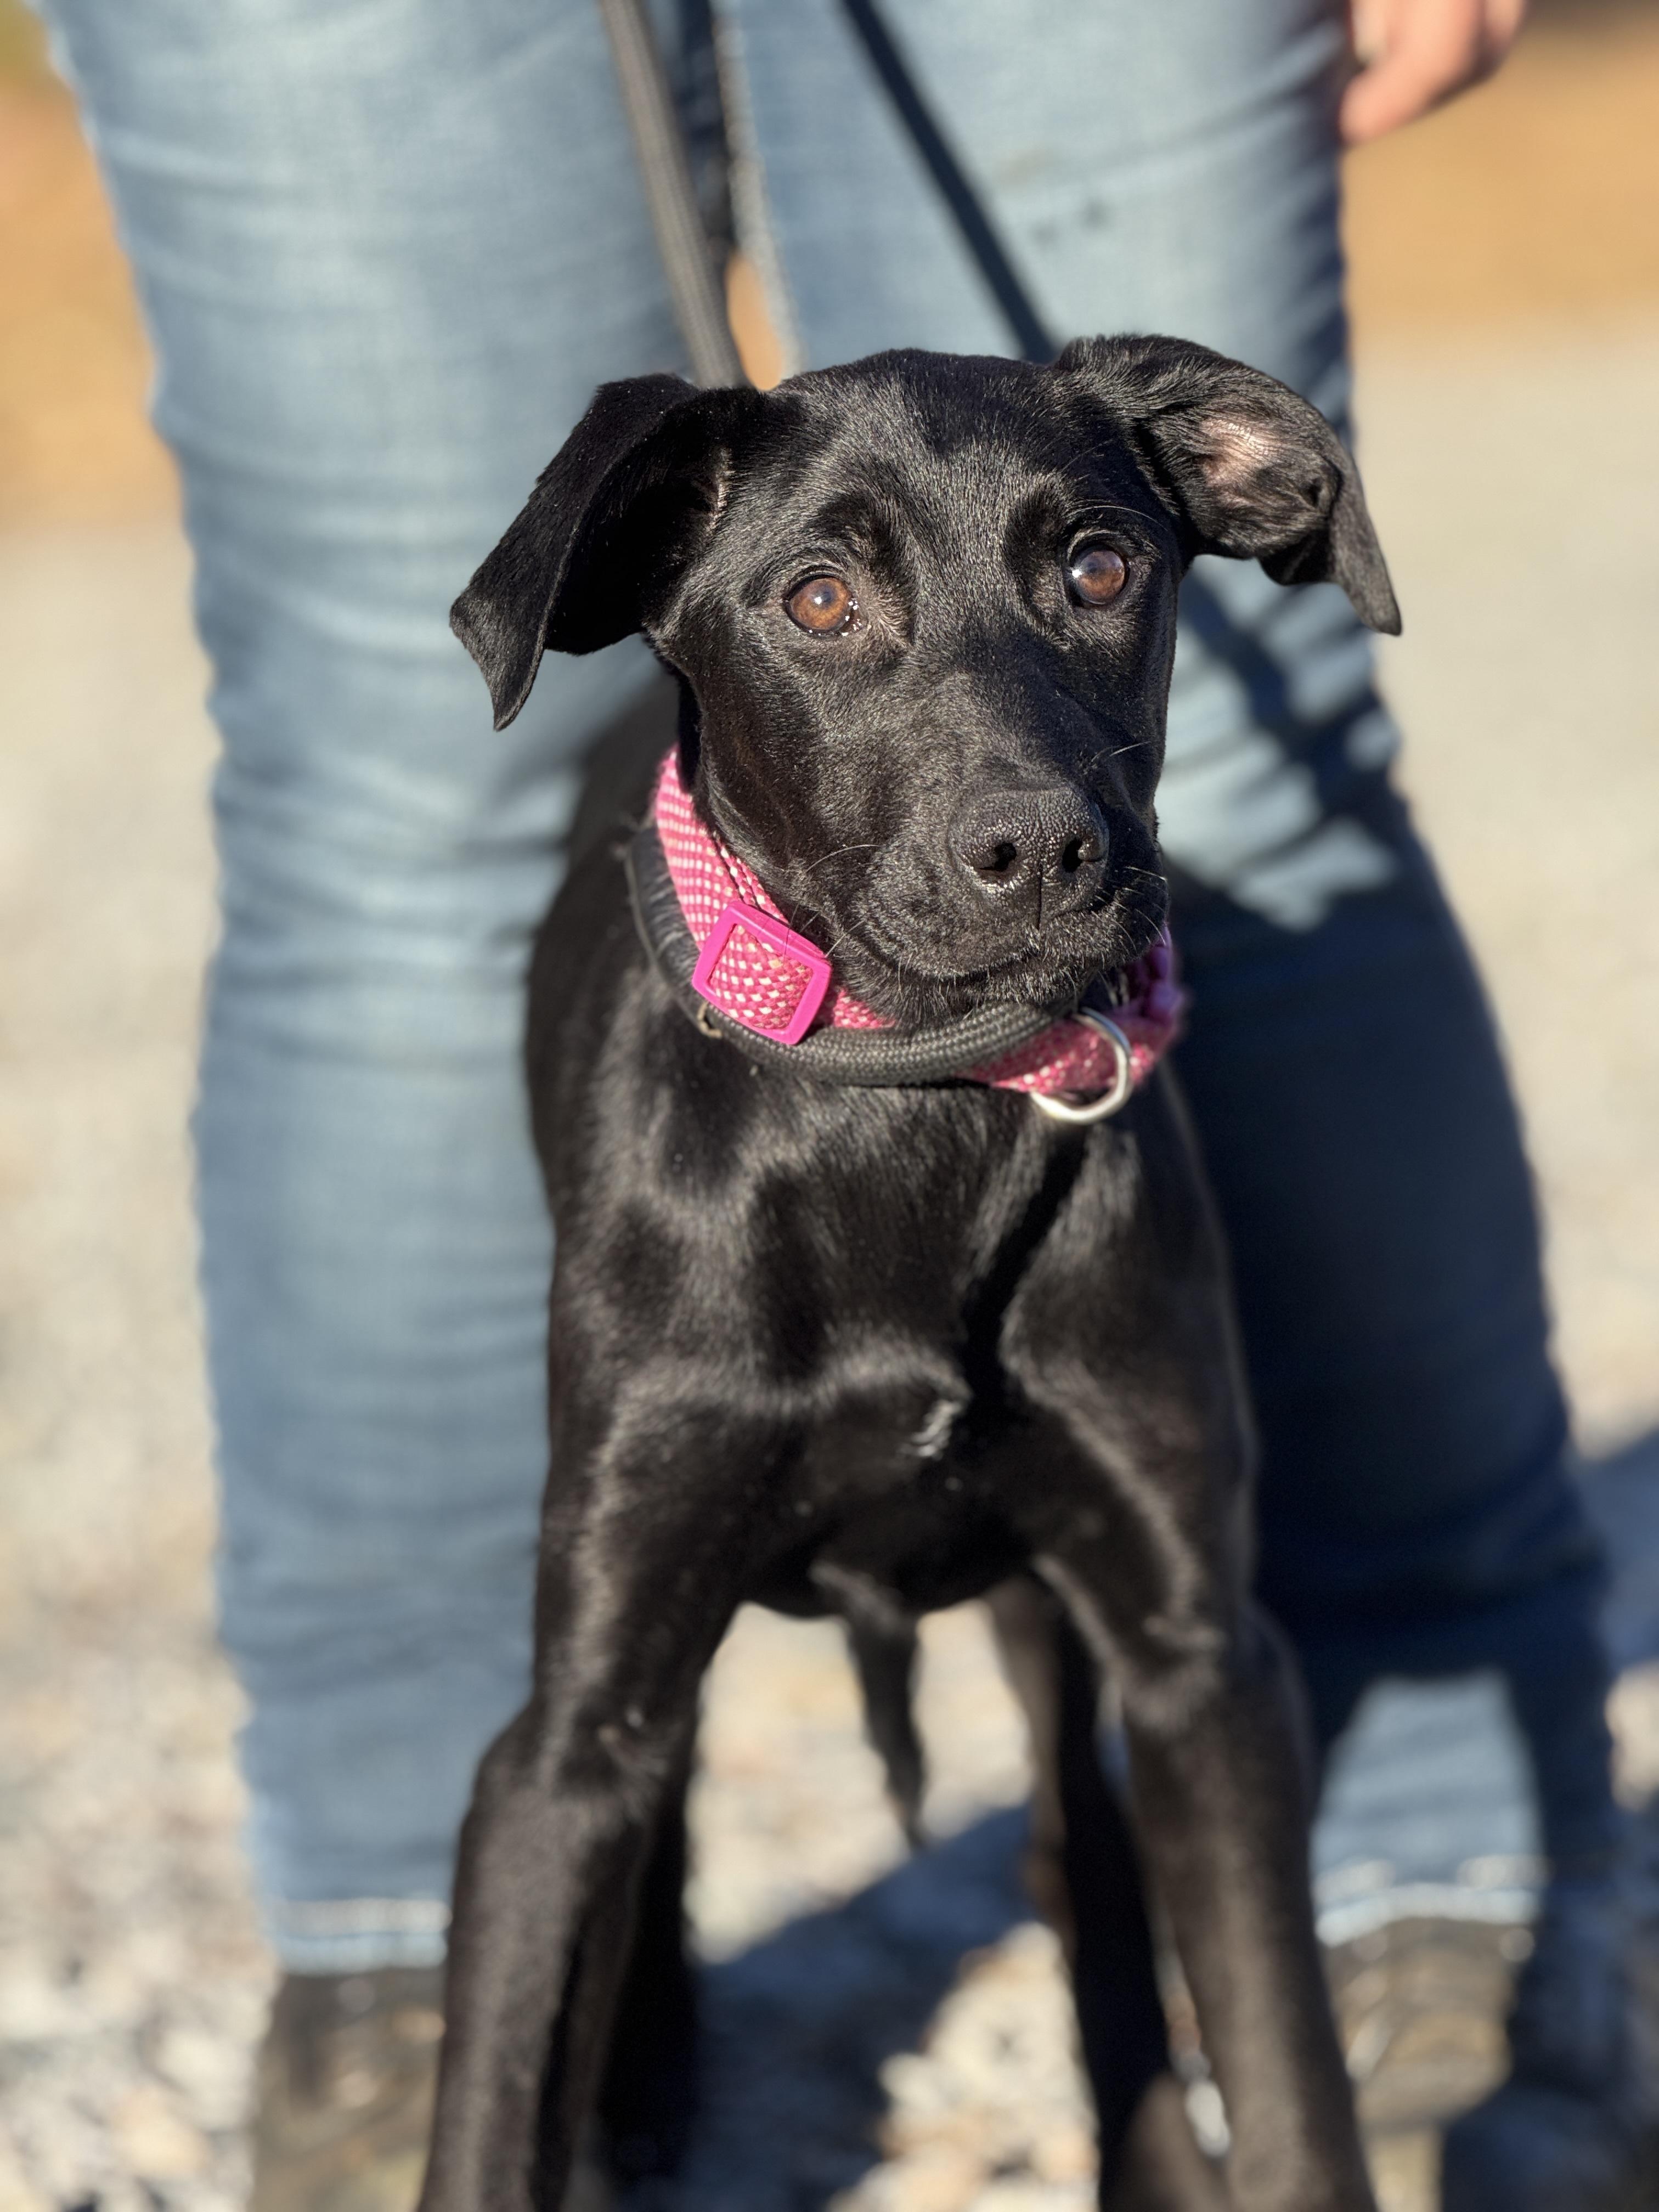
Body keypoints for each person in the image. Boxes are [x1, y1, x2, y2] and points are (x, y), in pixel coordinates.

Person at [35, 0, 1643, 2203]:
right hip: (718, 1176)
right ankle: (450, 1968)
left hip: (1079, 1179)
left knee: (1271, 794)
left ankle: (1420, 1866)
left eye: (1090, 572)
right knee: (392, 834)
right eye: (824, 599)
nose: (1016, 802)